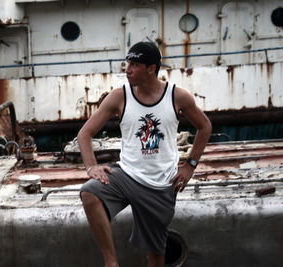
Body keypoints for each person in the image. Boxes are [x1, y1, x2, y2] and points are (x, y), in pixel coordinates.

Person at [78, 41, 212, 267]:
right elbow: (85, 133)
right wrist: (91, 166)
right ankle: (111, 263)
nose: (127, 69)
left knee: (156, 256)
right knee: (90, 193)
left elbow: (205, 126)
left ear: (151, 68)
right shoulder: (119, 96)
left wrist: (189, 165)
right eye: (127, 63)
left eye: (134, 64)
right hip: (127, 175)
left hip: (161, 183)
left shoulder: (177, 96)